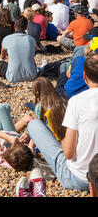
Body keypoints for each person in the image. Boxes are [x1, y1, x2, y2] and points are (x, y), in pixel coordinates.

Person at [27, 53, 98, 191]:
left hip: (79, 179)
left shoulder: (76, 101)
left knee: (34, 124)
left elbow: (69, 153)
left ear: (85, 77)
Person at [0, 16, 37, 83]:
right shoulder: (31, 39)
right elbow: (33, 54)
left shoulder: (7, 39)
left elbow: (3, 57)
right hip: (32, 75)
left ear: (14, 26)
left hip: (12, 77)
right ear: (26, 27)